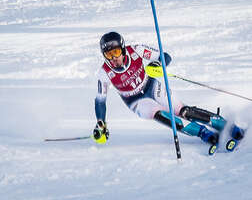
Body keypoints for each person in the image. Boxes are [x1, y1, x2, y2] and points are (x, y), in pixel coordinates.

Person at [92, 31, 240, 151]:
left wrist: (157, 63)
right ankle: (203, 133)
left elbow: (165, 56)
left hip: (150, 85)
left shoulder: (136, 50)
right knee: (160, 115)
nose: (113, 58)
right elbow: (100, 101)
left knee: (182, 110)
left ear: (123, 48)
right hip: (136, 101)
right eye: (109, 55)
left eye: (116, 52)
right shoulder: (104, 73)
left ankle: (226, 125)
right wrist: (101, 122)